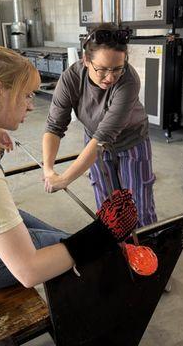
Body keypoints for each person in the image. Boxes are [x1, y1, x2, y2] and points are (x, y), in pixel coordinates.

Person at [0, 45, 138, 290]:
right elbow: (29, 271)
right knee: (86, 250)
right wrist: (103, 232)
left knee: (70, 242)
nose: (31, 105)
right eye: (27, 95)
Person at [43, 24, 157, 227]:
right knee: (107, 206)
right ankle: (115, 251)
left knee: (137, 205)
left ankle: (144, 252)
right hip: (93, 139)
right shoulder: (71, 79)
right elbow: (54, 127)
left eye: (117, 69)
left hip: (131, 141)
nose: (111, 77)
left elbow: (103, 137)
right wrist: (49, 169)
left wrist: (65, 179)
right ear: (86, 60)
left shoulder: (129, 81)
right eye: (102, 69)